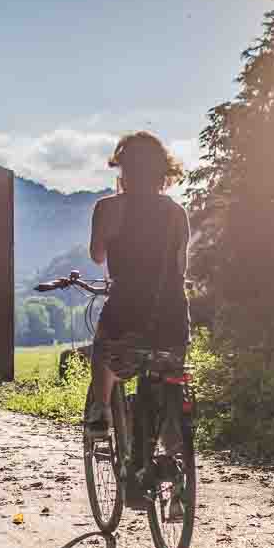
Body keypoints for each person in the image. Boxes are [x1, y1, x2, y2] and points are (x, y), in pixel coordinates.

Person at [85, 131, 190, 435]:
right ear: (162, 171)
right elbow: (180, 266)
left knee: (103, 346)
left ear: (124, 169)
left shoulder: (108, 208)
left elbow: (96, 255)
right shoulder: (176, 212)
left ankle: (101, 411)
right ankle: (172, 433)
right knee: (168, 367)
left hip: (126, 309)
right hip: (171, 313)